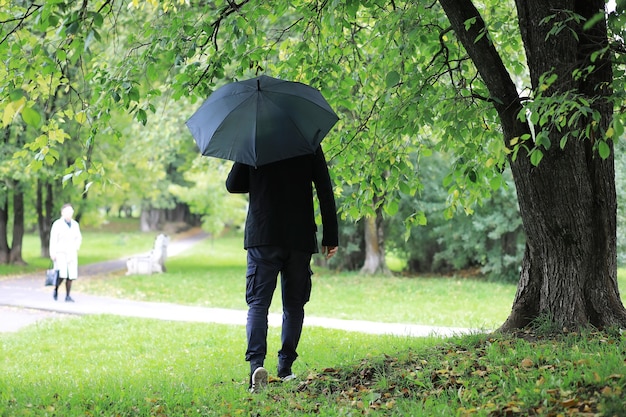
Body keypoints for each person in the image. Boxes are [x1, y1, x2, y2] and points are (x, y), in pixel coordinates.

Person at [226, 146, 339, 393]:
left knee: (258, 304)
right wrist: (331, 235)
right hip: (299, 237)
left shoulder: (255, 140)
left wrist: (253, 165)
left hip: (263, 235)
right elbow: (324, 188)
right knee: (294, 304)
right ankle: (285, 368)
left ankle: (256, 366)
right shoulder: (307, 140)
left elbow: (233, 184)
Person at [49, 203, 82, 302]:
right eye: (67, 212)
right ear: (63, 212)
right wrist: (52, 252)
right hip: (61, 252)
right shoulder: (57, 224)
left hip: (71, 252)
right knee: (62, 274)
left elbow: (78, 238)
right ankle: (56, 289)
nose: (69, 214)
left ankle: (68, 295)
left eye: (71, 212)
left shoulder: (75, 224)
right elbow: (53, 239)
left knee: (71, 275)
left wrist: (76, 247)